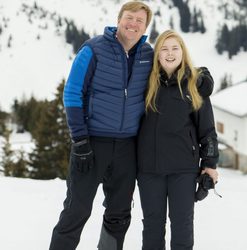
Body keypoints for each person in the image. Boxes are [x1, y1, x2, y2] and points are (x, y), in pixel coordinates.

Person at [49, 1, 153, 250]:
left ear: (145, 26)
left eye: (140, 21)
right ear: (119, 19)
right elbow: (73, 93)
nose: (133, 24)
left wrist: (200, 77)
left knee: (119, 211)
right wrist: (80, 140)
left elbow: (174, 71)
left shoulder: (148, 54)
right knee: (77, 208)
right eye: (129, 18)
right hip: (92, 142)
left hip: (128, 145)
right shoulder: (93, 49)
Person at [137, 30, 219, 250]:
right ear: (157, 55)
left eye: (175, 48)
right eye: (164, 48)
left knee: (182, 227)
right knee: (152, 228)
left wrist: (210, 165)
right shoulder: (145, 84)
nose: (169, 53)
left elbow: (208, 130)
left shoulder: (195, 85)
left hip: (183, 169)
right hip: (149, 169)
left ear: (183, 52)